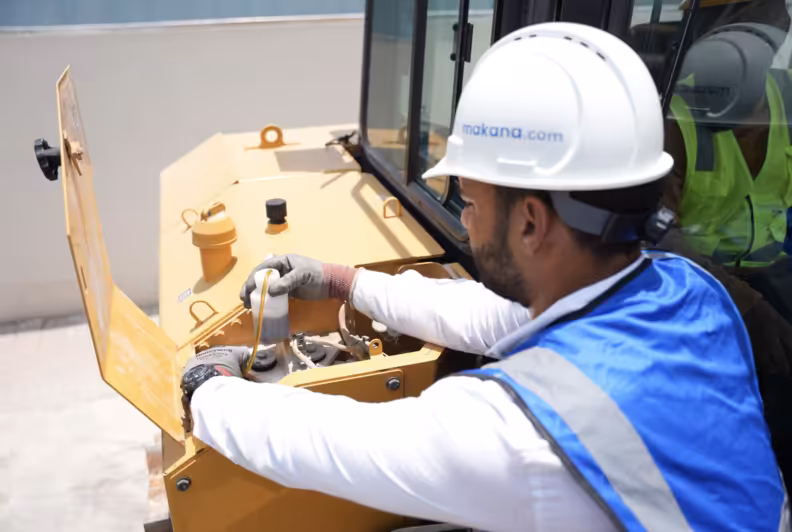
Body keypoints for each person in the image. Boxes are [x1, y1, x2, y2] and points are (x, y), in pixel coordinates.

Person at [180, 23, 788, 531]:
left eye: (469, 201)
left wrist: (209, 388)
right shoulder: (687, 291)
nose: (466, 221)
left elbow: (333, 444)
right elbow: (482, 313)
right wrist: (342, 281)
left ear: (531, 222)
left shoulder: (528, 433)